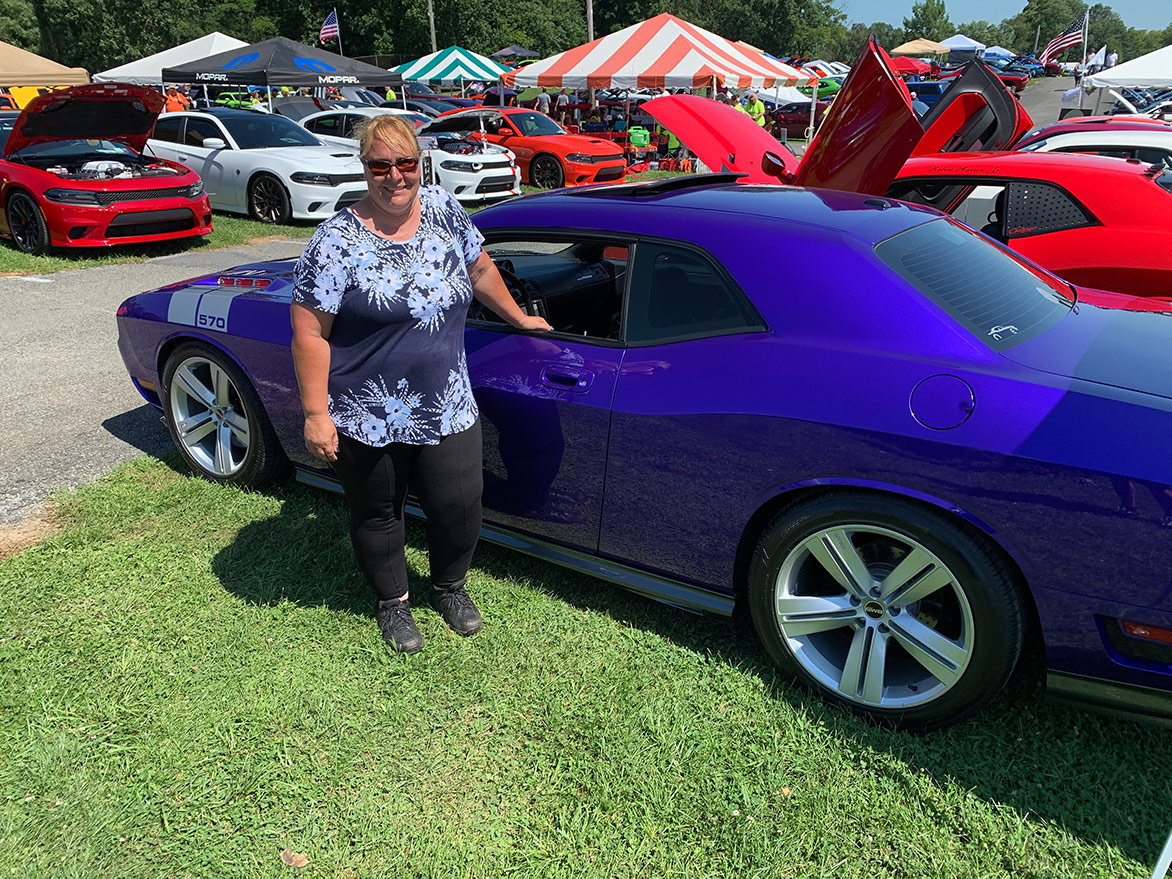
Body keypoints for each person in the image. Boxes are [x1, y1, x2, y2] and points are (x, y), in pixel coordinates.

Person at [290, 115, 552, 654]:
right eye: (380, 165)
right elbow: (310, 330)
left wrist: (519, 318)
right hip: (368, 409)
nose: (394, 176)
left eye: (405, 163)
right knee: (378, 511)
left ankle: (449, 587)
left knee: (459, 503)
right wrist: (317, 413)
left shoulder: (443, 210)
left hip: (447, 401)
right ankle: (393, 603)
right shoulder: (334, 239)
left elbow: (479, 271)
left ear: (420, 164)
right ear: (364, 168)